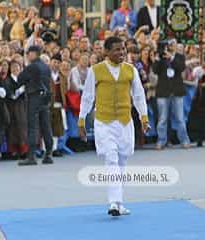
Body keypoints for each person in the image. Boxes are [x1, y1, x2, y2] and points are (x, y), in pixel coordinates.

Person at [78, 37, 150, 216]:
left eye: (123, 49)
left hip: (125, 122)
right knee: (111, 159)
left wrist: (144, 118)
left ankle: (119, 202)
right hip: (104, 122)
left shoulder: (130, 69)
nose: (121, 53)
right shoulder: (97, 70)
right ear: (107, 52)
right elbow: (87, 96)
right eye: (117, 50)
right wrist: (81, 120)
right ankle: (113, 202)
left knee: (123, 161)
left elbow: (139, 95)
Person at [16, 45, 54, 166]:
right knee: (46, 125)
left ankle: (31, 156)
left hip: (34, 97)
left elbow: (20, 79)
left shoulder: (32, 66)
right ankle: (48, 154)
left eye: (28, 53)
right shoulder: (46, 67)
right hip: (45, 98)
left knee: (32, 126)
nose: (27, 55)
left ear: (34, 54)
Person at [153, 39, 190, 150]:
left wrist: (171, 58)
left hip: (177, 91)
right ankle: (161, 141)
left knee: (180, 118)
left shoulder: (179, 57)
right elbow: (155, 70)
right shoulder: (160, 56)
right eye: (170, 44)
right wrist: (157, 59)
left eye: (174, 44)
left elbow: (181, 67)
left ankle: (184, 140)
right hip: (163, 91)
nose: (172, 46)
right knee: (162, 118)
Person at [5, 60, 28, 160]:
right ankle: (13, 150)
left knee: (23, 127)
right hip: (12, 105)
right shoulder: (8, 80)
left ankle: (24, 150)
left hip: (23, 105)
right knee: (13, 127)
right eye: (13, 67)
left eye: (17, 67)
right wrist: (20, 90)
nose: (16, 69)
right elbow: (11, 94)